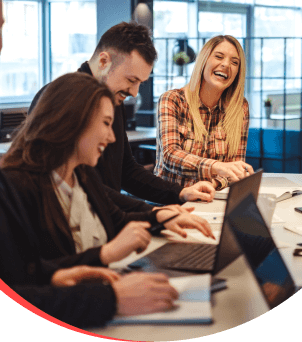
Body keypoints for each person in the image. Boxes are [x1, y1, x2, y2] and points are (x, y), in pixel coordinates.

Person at [0, 0, 179, 328]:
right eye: (1, 29)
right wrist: (106, 297)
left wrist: (55, 275)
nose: (3, 45)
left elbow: (13, 265)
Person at [0, 72, 214, 264]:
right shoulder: (17, 186)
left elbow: (117, 220)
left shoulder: (81, 174)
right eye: (105, 123)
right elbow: (27, 276)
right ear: (73, 121)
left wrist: (161, 217)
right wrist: (106, 254)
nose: (111, 137)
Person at [29, 22, 215, 214]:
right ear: (103, 62)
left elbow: (127, 170)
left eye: (140, 83)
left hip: (107, 220)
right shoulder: (60, 99)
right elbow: (82, 186)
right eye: (131, 80)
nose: (134, 93)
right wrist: (152, 214)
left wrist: (180, 193)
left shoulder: (111, 98)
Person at [154, 35, 254, 190]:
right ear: (204, 61)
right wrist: (216, 167)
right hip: (171, 201)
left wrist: (212, 184)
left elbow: (235, 169)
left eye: (235, 62)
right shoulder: (172, 100)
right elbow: (170, 156)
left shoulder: (240, 107)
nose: (226, 65)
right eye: (219, 57)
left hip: (212, 198)